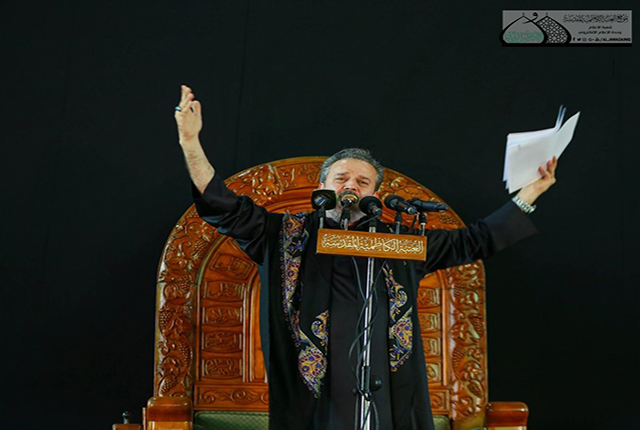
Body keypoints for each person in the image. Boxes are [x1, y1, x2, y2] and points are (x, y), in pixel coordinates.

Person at [174, 85, 558, 430]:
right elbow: (221, 206)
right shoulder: (284, 234)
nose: (351, 187)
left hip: (384, 390)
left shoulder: (397, 243)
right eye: (341, 179)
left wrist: (531, 193)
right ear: (322, 186)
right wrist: (191, 143)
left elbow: (474, 241)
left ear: (375, 194)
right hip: (312, 395)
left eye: (362, 182)